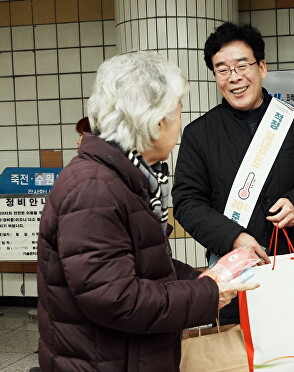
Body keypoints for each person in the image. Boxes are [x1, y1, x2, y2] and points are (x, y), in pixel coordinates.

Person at [36, 51, 258, 372]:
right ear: (157, 122)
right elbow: (116, 298)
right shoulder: (94, 187)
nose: (180, 122)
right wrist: (207, 294)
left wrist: (205, 279)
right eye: (178, 110)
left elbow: (144, 264)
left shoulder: (129, 176)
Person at [172, 22, 294, 324]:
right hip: (234, 269)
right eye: (222, 69)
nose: (233, 77)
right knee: (239, 356)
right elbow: (187, 201)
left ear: (262, 67)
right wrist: (233, 237)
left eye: (242, 65)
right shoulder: (199, 134)